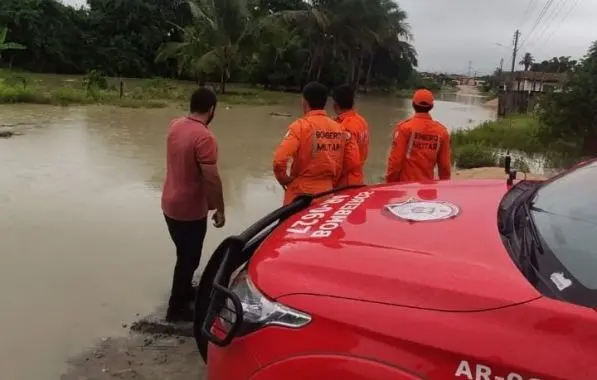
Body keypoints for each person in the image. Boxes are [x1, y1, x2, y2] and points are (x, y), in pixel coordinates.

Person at [161, 87, 226, 323]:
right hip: (189, 209)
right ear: (211, 110)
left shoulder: (175, 125)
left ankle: (186, 291)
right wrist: (220, 208)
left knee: (184, 253)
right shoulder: (205, 137)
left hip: (169, 203)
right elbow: (211, 177)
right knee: (189, 258)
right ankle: (176, 308)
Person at [273, 81, 360, 205]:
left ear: (305, 102)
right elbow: (353, 161)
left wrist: (284, 179)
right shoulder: (340, 128)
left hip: (300, 195)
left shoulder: (300, 127)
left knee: (291, 224)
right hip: (327, 194)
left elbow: (279, 160)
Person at [385, 89, 452, 183]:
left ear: (413, 104)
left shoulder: (404, 128)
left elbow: (395, 161)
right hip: (427, 189)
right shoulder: (442, 132)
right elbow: (444, 166)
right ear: (431, 106)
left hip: (405, 187)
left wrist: (390, 183)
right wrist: (443, 186)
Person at [332, 84, 369, 186]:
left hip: (344, 182)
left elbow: (348, 161)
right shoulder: (362, 121)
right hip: (358, 178)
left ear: (335, 104)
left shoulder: (343, 126)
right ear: (352, 103)